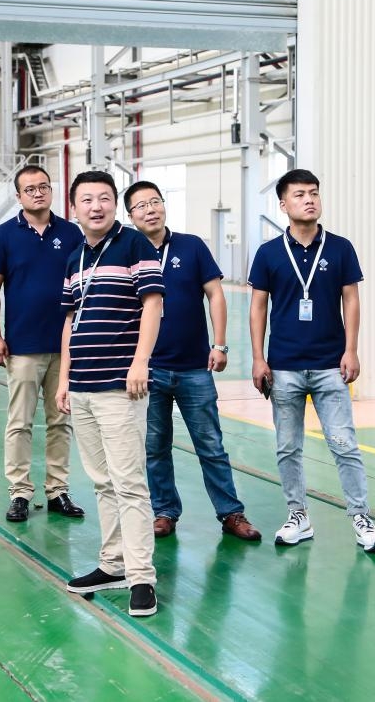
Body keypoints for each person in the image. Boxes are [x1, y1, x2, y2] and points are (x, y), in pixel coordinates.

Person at [248, 168, 375, 552]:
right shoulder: (268, 253)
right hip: (283, 367)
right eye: (299, 194)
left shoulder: (340, 248)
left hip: (330, 365)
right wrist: (258, 358)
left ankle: (361, 518)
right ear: (283, 205)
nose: (309, 200)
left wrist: (351, 349)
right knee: (288, 447)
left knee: (344, 444)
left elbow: (351, 300)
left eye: (313, 193)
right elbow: (258, 307)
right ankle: (298, 515)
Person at [122, 180, 262, 542]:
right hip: (149, 371)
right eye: (141, 206)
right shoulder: (126, 252)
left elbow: (215, 294)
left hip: (194, 368)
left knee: (211, 446)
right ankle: (164, 511)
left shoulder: (191, 246)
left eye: (155, 201)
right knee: (155, 447)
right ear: (131, 216)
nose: (150, 210)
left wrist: (220, 345)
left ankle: (231, 513)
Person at [57, 171, 164, 617]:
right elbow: (70, 320)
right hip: (82, 387)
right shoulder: (75, 257)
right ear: (74, 208)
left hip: (119, 386)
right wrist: (64, 379)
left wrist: (140, 362)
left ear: (114, 204)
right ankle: (113, 564)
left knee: (129, 483)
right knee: (102, 482)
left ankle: (141, 577)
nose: (96, 206)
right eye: (87, 199)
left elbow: (153, 303)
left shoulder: (134, 244)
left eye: (104, 198)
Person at [0, 164, 86, 522]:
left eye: (44, 186)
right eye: (30, 189)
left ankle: (58, 490)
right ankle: (20, 492)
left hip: (65, 346)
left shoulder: (71, 233)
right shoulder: (4, 235)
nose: (38, 193)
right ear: (18, 196)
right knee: (20, 422)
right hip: (22, 344)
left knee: (61, 421)